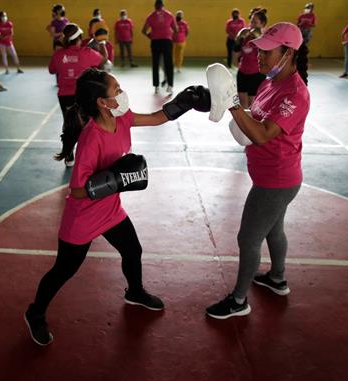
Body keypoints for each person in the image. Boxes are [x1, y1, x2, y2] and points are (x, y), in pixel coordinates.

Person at [24, 68, 212, 345]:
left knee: (132, 250)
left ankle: (134, 292)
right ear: (103, 102)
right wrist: (115, 179)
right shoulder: (91, 138)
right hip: (84, 217)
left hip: (110, 210)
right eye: (116, 89)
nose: (122, 93)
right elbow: (77, 190)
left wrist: (183, 104)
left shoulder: (121, 117)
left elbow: (155, 118)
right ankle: (35, 313)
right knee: (64, 270)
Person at [205, 23, 310, 319]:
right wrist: (217, 103)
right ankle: (277, 279)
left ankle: (238, 301)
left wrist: (232, 104)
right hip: (270, 175)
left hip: (276, 180)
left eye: (266, 51)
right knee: (274, 229)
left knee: (248, 238)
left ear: (288, 53)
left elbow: (263, 134)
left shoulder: (295, 94)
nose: (259, 56)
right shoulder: (270, 82)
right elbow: (254, 117)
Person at [49, 23, 107, 167]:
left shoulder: (59, 54)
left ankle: (69, 157)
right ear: (79, 38)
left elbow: (51, 70)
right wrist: (102, 44)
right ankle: (89, 156)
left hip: (64, 95)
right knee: (87, 124)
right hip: (82, 95)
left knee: (68, 124)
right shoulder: (87, 53)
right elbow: (103, 60)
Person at [142, 0, 178, 95]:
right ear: (163, 6)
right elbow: (176, 29)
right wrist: (169, 35)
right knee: (169, 64)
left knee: (155, 63)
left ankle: (156, 87)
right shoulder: (169, 15)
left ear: (155, 6)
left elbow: (144, 30)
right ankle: (170, 86)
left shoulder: (151, 16)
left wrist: (151, 36)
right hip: (167, 41)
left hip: (155, 42)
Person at [235, 9, 267, 109]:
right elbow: (237, 51)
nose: (251, 24)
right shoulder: (246, 34)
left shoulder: (265, 37)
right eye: (251, 21)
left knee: (252, 104)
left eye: (255, 22)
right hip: (243, 71)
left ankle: (253, 124)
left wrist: (259, 39)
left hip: (256, 73)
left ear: (262, 24)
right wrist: (239, 39)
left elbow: (267, 54)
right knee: (242, 103)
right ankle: (243, 124)